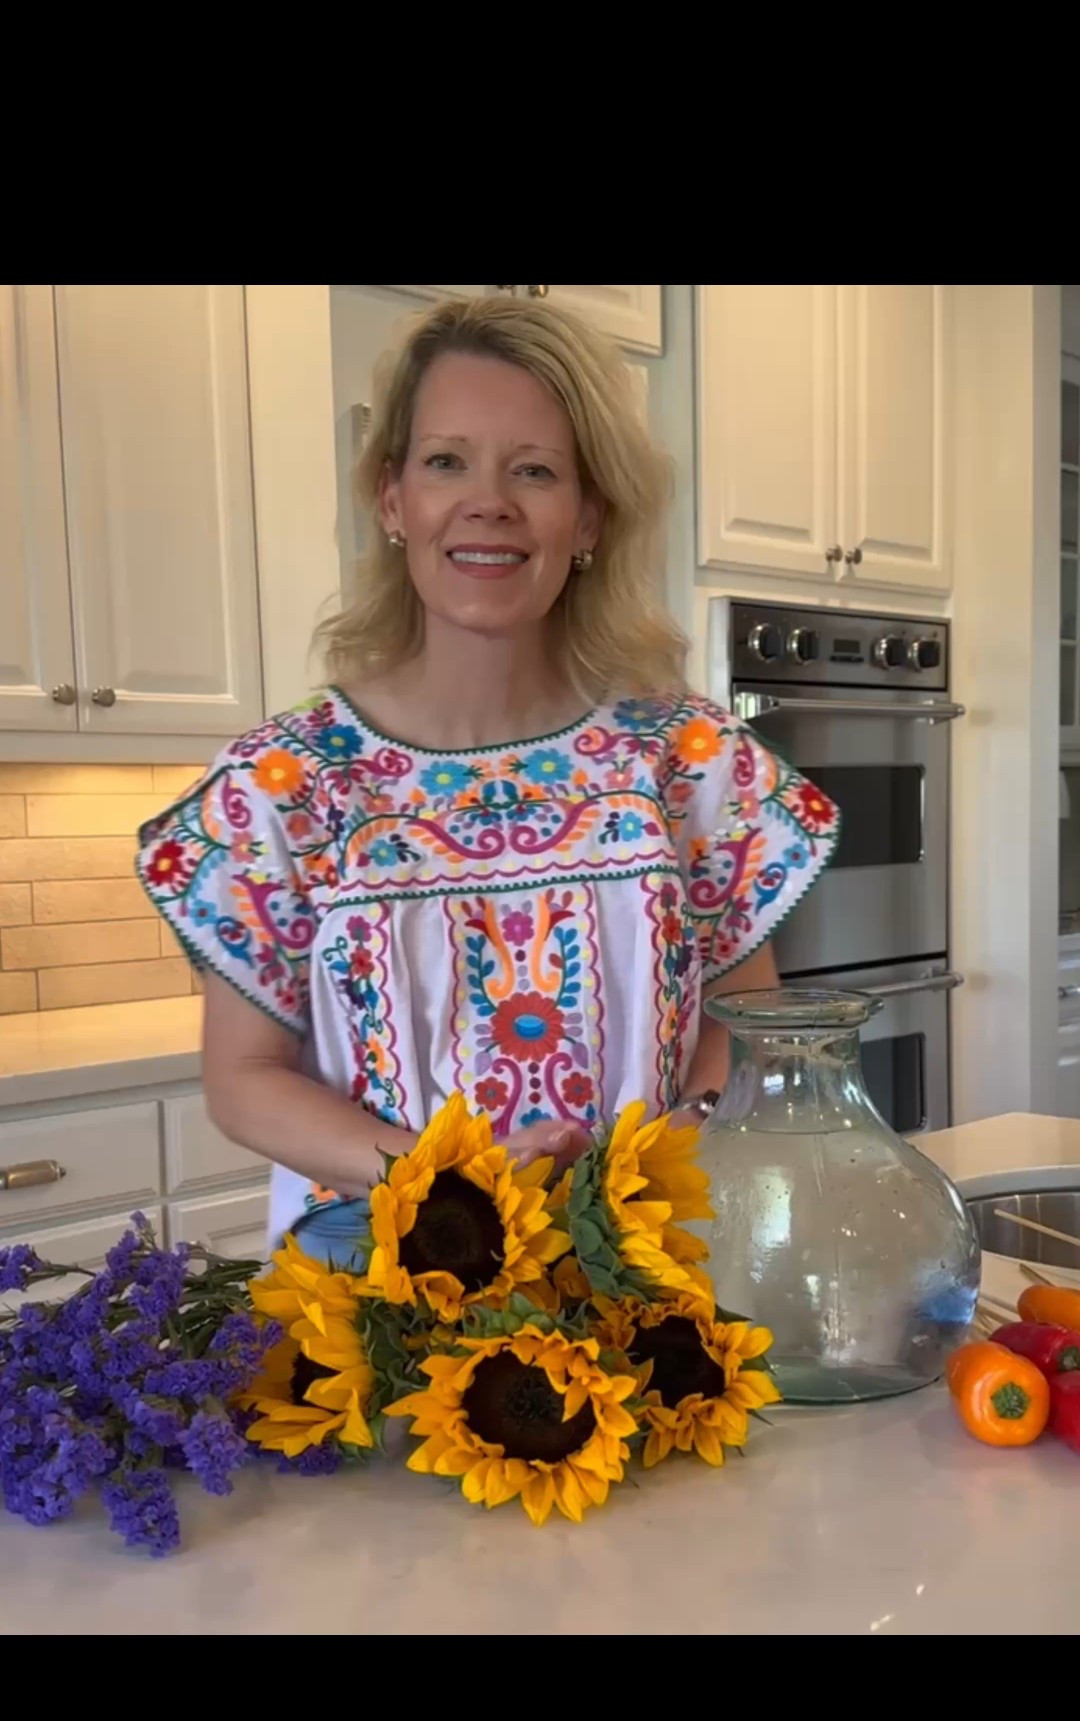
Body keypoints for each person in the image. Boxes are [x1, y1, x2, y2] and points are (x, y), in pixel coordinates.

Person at [137, 294, 839, 1270]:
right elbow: (244, 1080)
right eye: (446, 461)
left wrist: (667, 1149)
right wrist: (451, 1181)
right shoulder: (284, 786)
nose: (489, 501)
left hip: (644, 1275)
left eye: (537, 471)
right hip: (377, 1303)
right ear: (394, 499)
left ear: (588, 514)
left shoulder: (687, 762)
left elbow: (744, 1021)